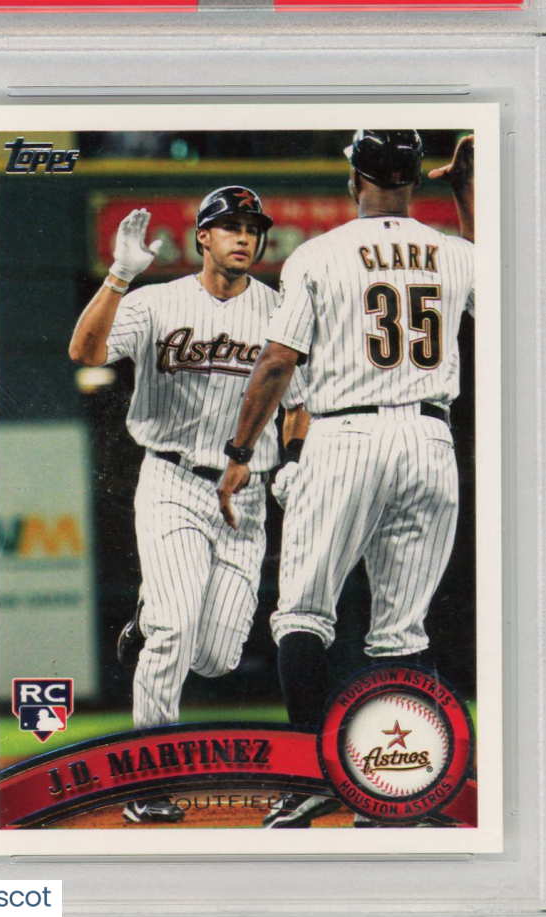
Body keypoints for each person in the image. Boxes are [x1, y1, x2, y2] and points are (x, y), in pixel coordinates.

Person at [217, 131, 475, 828]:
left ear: (353, 178)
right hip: (430, 438)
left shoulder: (318, 254)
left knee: (302, 614)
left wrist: (240, 449)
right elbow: (503, 295)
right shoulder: (454, 252)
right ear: (413, 179)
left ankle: (312, 779)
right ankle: (401, 793)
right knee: (400, 631)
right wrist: (464, 192)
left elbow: (277, 362)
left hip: (346, 434)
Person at [69, 186, 305, 825]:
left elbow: (298, 404)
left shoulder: (280, 311)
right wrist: (119, 276)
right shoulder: (156, 302)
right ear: (203, 236)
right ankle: (147, 781)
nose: (244, 237)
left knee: (217, 658)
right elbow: (85, 353)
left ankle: (147, 617)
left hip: (245, 495)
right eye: (230, 226)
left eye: (252, 228)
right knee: (176, 630)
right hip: (172, 480)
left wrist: (294, 459)